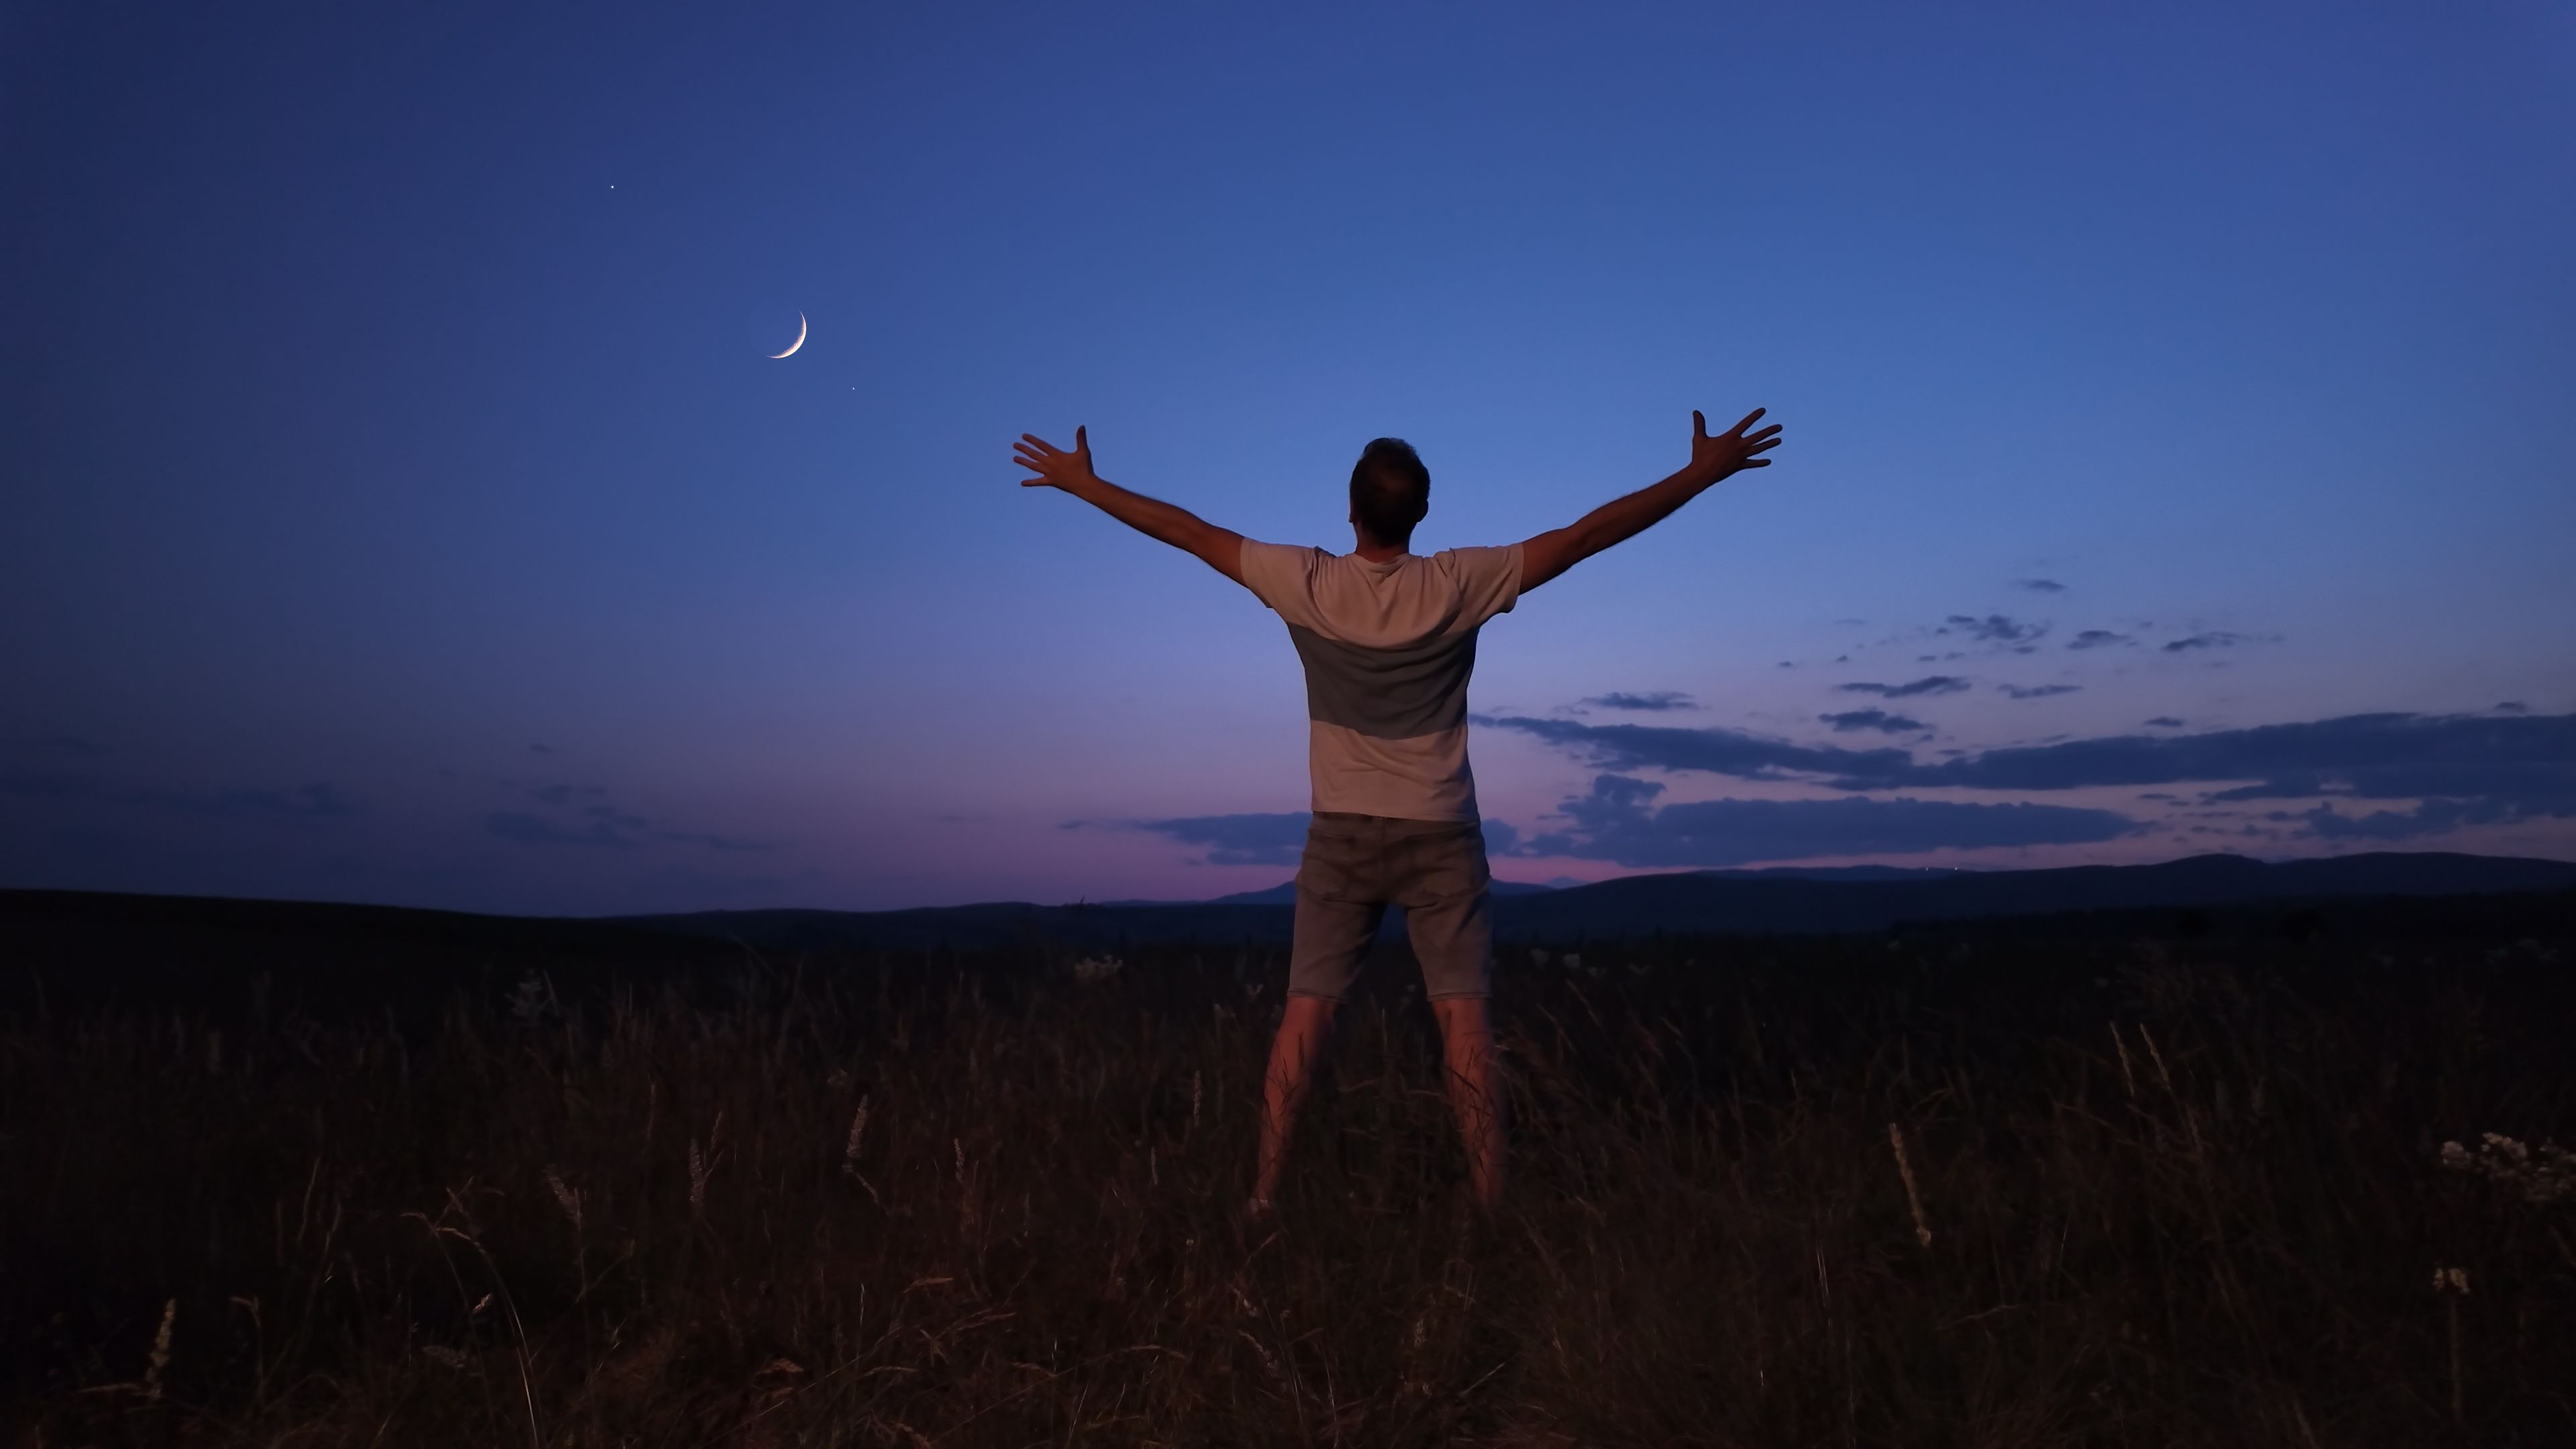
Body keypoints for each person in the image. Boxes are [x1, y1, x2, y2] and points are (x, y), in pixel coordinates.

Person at [1012, 407, 1783, 1220]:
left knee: (1305, 1015)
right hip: (1442, 835)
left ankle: (1264, 1198)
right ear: (1421, 515)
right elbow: (1588, 535)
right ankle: (1491, 1210)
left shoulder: (1306, 581)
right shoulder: (1457, 584)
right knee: (1466, 1026)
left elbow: (1187, 532)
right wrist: (1701, 474)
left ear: (1349, 510)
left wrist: (1084, 484)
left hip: (1342, 833)